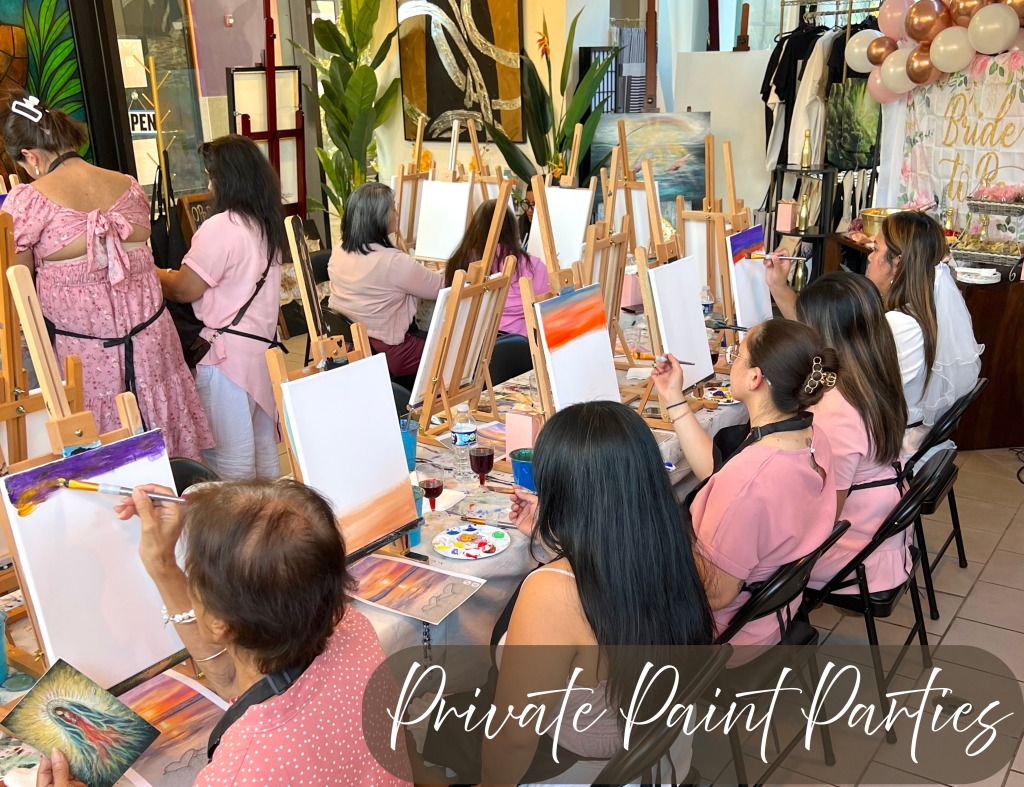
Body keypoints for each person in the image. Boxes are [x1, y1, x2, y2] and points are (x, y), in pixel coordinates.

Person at [112, 479, 412, 786]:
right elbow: (238, 687)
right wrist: (163, 565)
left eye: (194, 578)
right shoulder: (354, 628)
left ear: (219, 622)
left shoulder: (236, 776)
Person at [478, 401, 714, 784]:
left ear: (560, 491)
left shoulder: (551, 593)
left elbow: (513, 741)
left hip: (573, 768)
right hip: (655, 751)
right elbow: (606, 579)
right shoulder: (671, 545)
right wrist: (556, 542)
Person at [0, 90, 212, 460]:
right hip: (153, 344)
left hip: (85, 358)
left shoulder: (28, 201)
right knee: (170, 457)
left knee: (107, 461)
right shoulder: (128, 185)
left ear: (30, 156)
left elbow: (17, 289)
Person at [652, 320, 838, 648]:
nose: (732, 360)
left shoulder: (748, 483)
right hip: (775, 616)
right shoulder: (811, 437)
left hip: (729, 637)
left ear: (755, 378)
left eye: (737, 354)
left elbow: (713, 595)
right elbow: (720, 474)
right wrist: (674, 399)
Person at [765, 211, 982, 457]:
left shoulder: (901, 326)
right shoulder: (918, 312)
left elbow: (841, 382)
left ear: (897, 262)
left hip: (883, 449)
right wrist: (777, 285)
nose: (869, 256)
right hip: (882, 432)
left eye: (876, 249)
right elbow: (816, 336)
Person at [159, 136, 286, 481]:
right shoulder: (265, 224)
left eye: (212, 177)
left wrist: (152, 272)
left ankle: (239, 519)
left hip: (226, 359)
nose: (209, 185)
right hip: (260, 353)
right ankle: (268, 515)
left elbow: (185, 288)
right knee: (261, 455)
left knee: (231, 465)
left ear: (228, 179)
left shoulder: (221, 227)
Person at [795, 273, 910, 594]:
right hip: (876, 539)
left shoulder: (837, 410)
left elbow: (824, 519)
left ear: (823, 335)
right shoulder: (872, 376)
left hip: (854, 555)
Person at [328, 183, 442, 380]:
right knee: (456, 351)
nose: (396, 214)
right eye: (393, 209)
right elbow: (441, 287)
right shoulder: (394, 262)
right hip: (388, 355)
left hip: (347, 348)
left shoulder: (340, 249)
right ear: (379, 217)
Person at [444, 198, 550, 336]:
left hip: (467, 344)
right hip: (516, 345)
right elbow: (547, 313)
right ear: (512, 230)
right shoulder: (533, 267)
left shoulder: (459, 262)